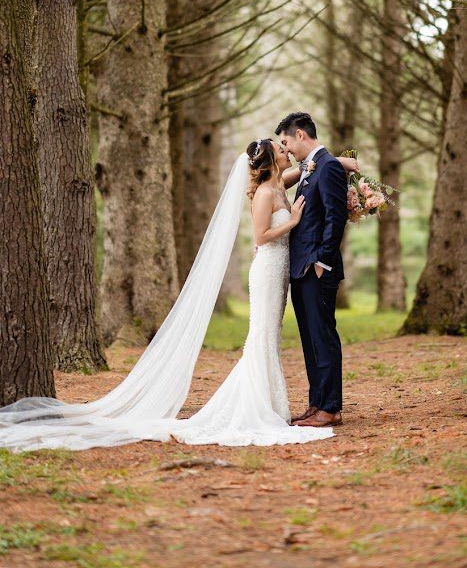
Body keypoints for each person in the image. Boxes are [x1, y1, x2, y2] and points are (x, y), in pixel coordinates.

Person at [0, 136, 357, 451]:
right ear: (271, 160)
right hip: (267, 269)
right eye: (281, 149)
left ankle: (274, 403)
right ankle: (256, 403)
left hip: (282, 269)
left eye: (287, 145)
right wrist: (293, 221)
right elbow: (262, 235)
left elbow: (313, 166)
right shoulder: (266, 192)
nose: (287, 151)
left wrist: (341, 163)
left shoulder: (280, 184)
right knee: (260, 335)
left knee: (270, 336)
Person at [275, 113, 349, 429]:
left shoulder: (328, 166)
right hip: (301, 268)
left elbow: (336, 218)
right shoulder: (311, 166)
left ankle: (331, 407)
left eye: (286, 142)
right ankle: (316, 403)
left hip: (317, 268)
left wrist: (322, 262)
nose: (287, 149)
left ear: (301, 135)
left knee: (323, 338)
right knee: (310, 340)